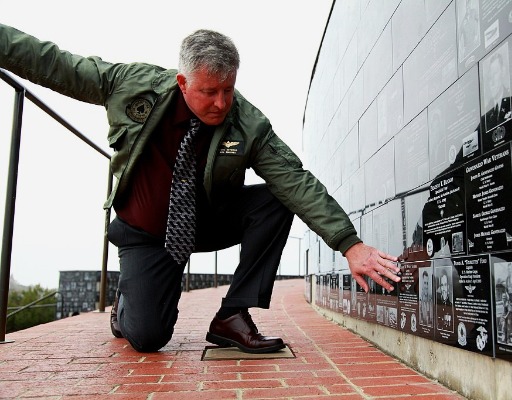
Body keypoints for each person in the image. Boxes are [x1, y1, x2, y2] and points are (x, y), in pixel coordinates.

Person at [0, 24, 400, 353]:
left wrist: (349, 244)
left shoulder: (248, 124)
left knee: (277, 200)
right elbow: (52, 62)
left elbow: (295, 179)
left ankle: (232, 315)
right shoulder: (130, 85)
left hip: (203, 223)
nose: (221, 103)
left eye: (228, 89)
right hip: (144, 235)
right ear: (182, 82)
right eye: (209, 92)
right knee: (148, 338)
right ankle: (125, 306)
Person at [484, 50, 512, 132]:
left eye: (495, 74)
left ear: (502, 72)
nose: (492, 82)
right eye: (490, 77)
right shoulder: (487, 110)